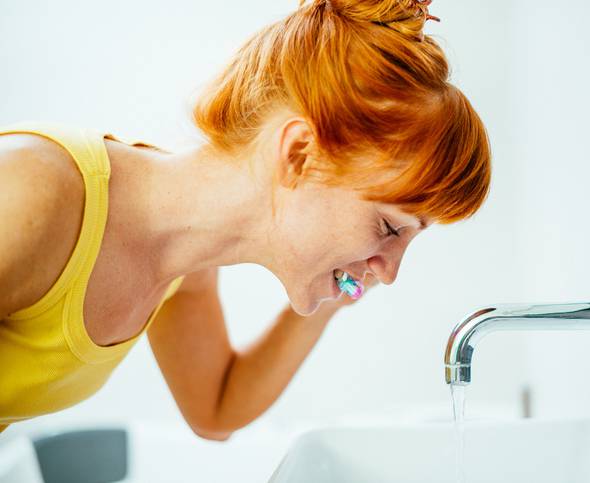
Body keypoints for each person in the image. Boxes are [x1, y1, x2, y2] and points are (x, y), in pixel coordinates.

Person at [0, 0, 491, 440]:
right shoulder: (33, 194)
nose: (391, 271)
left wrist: (331, 297)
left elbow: (215, 408)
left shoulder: (185, 262)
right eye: (389, 228)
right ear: (298, 154)